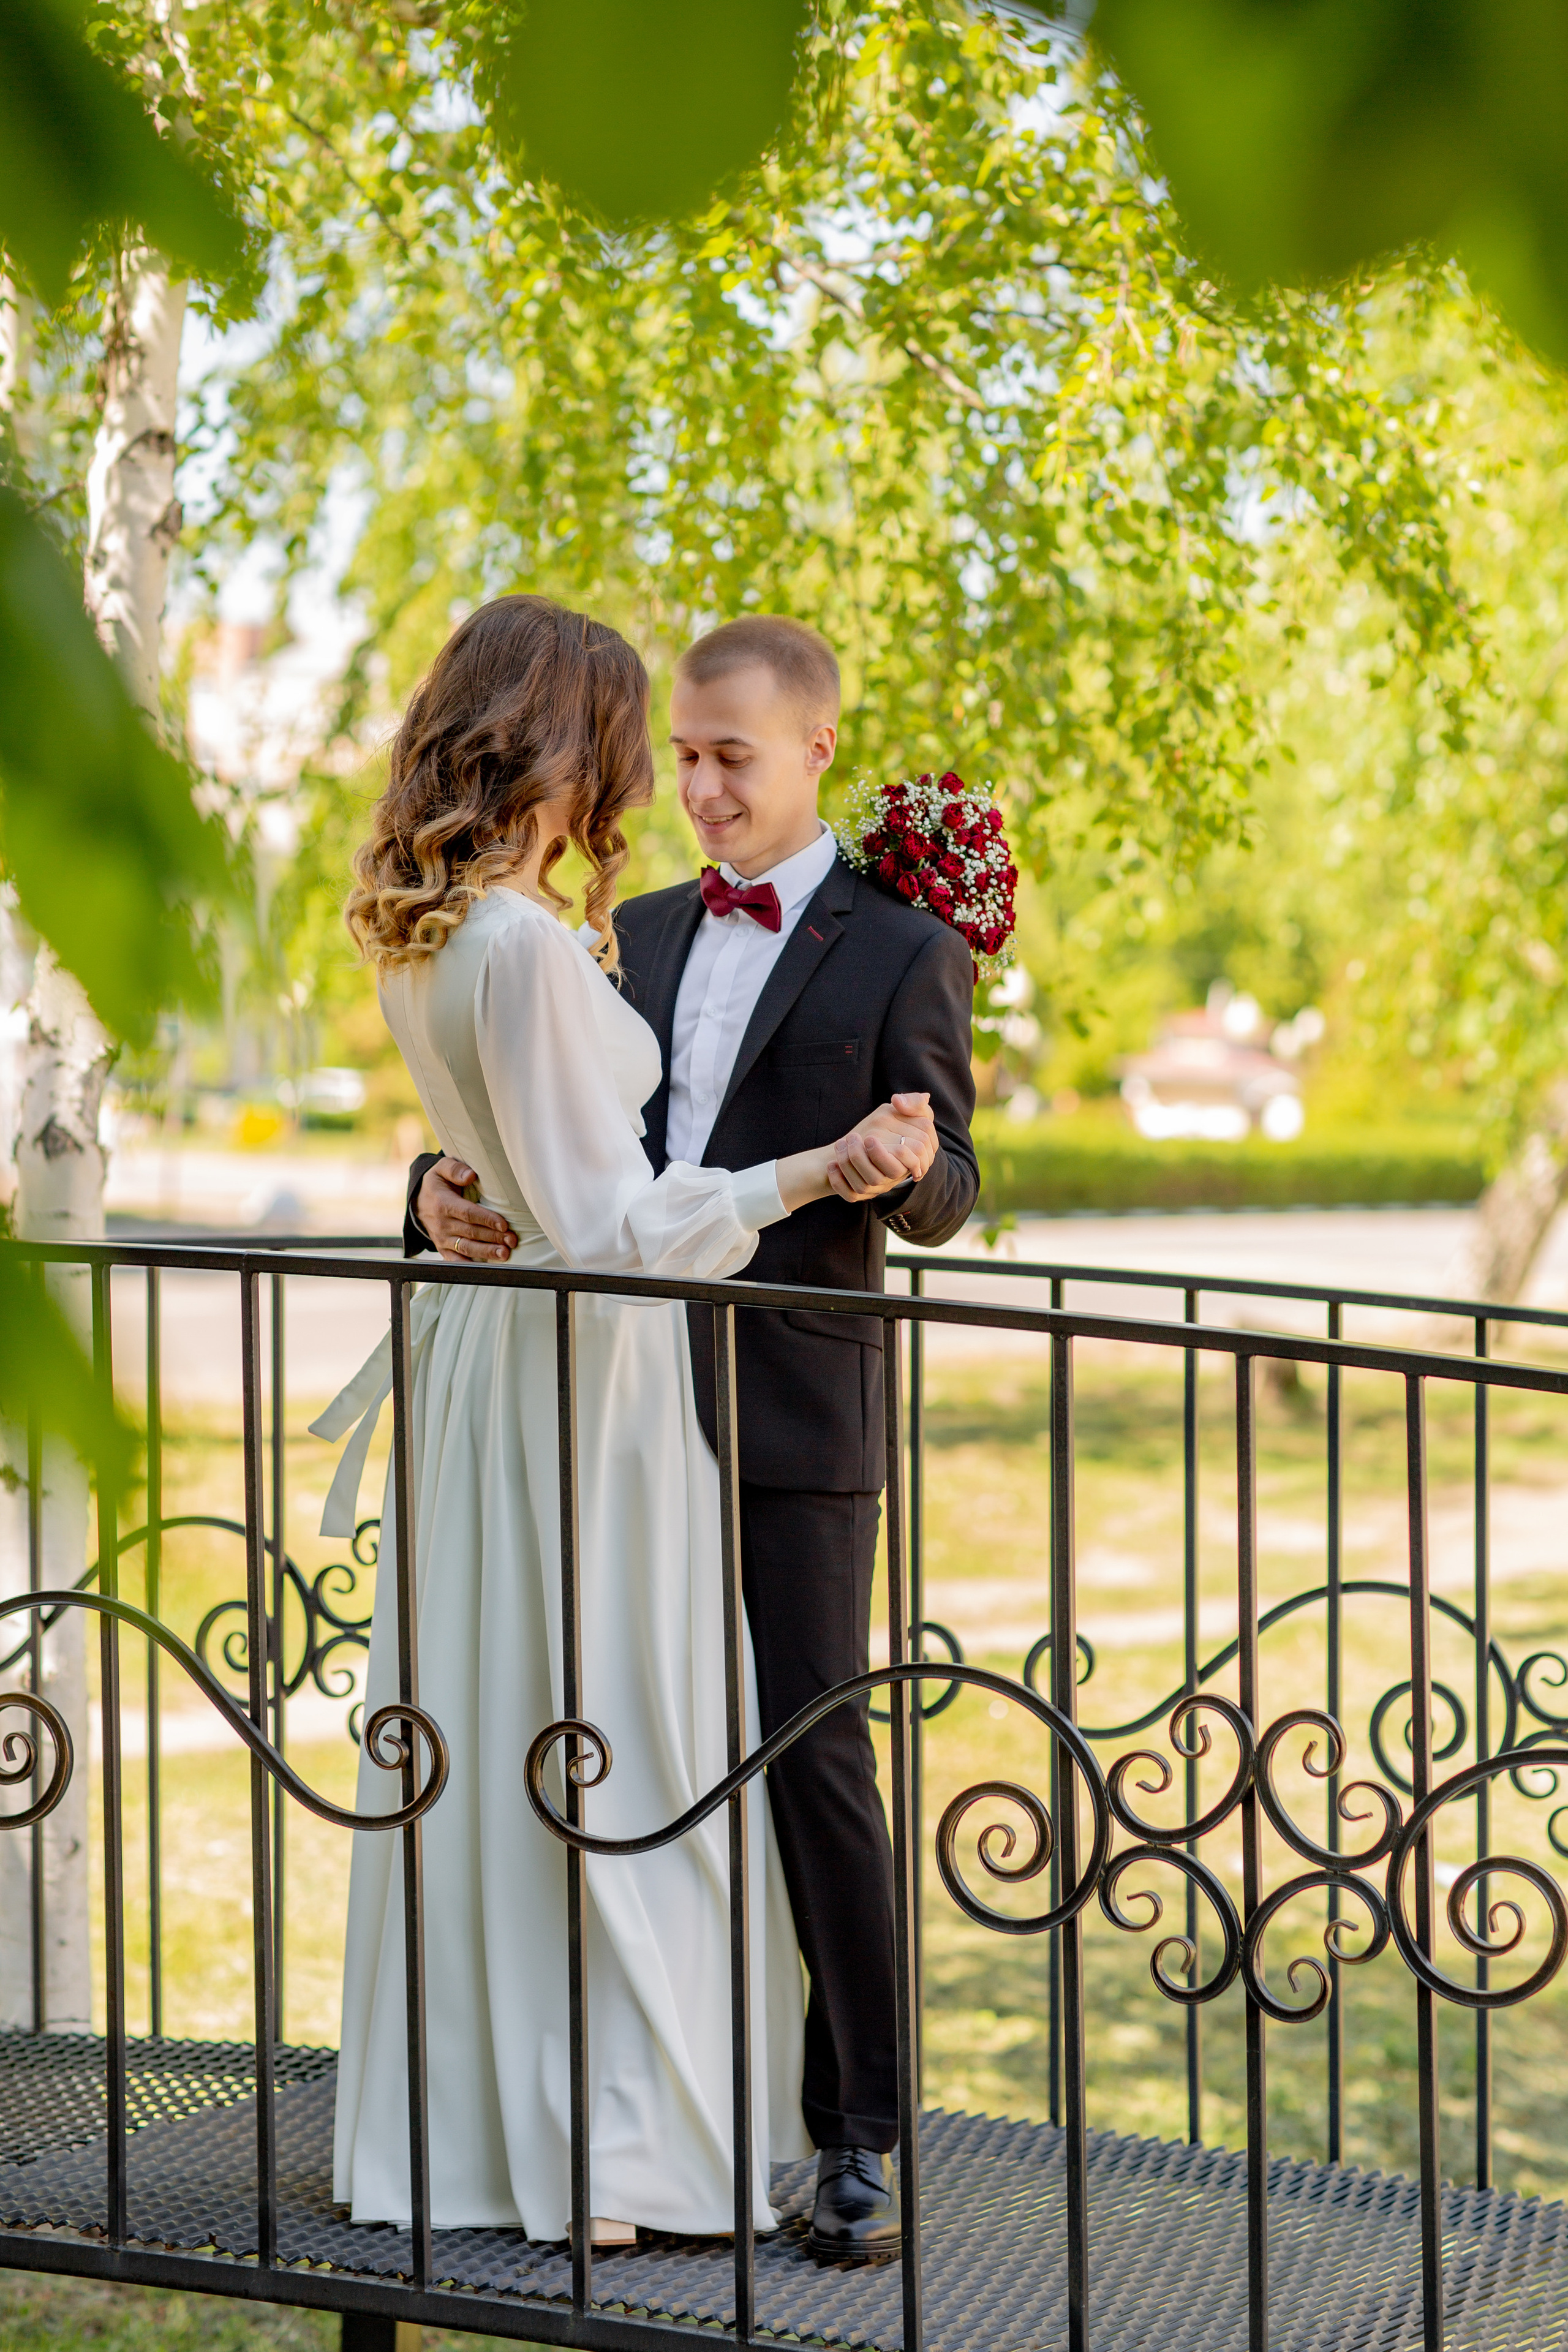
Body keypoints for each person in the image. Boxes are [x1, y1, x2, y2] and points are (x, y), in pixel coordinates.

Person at [320, 595, 936, 2245]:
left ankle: (854, 2130)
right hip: (602, 1385)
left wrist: (896, 1161)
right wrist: (435, 1186)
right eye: (667, 752)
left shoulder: (898, 940)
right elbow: (559, 1170)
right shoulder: (603, 929)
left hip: (775, 1399)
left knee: (804, 1757)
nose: (687, 789)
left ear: (815, 751)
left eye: (728, 758)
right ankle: (602, 2138)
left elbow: (947, 1181)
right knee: (604, 1742)